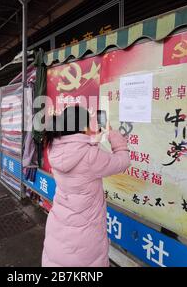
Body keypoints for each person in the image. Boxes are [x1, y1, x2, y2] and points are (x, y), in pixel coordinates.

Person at [42, 106, 131, 267]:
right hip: (85, 237)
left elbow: (78, 150)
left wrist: (92, 141)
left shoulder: (54, 146)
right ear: (83, 127)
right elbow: (123, 161)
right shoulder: (90, 155)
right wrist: (111, 133)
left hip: (59, 224)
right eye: (90, 123)